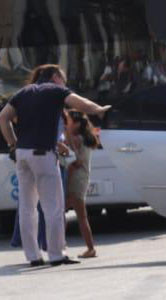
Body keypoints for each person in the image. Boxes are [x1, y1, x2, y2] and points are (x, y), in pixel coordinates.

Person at [0, 64, 110, 267]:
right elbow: (79, 103)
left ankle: (33, 256)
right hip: (43, 156)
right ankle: (56, 255)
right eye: (63, 79)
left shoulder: (22, 93)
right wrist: (99, 110)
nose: (64, 83)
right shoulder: (55, 91)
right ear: (55, 76)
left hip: (22, 155)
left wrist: (13, 144)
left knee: (27, 207)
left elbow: (3, 118)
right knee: (54, 206)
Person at [64, 110, 98, 258]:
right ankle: (89, 248)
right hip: (82, 178)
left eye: (69, 121)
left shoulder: (77, 138)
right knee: (78, 216)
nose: (67, 125)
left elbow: (76, 162)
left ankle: (60, 247)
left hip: (76, 179)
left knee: (62, 214)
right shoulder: (86, 137)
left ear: (77, 124)